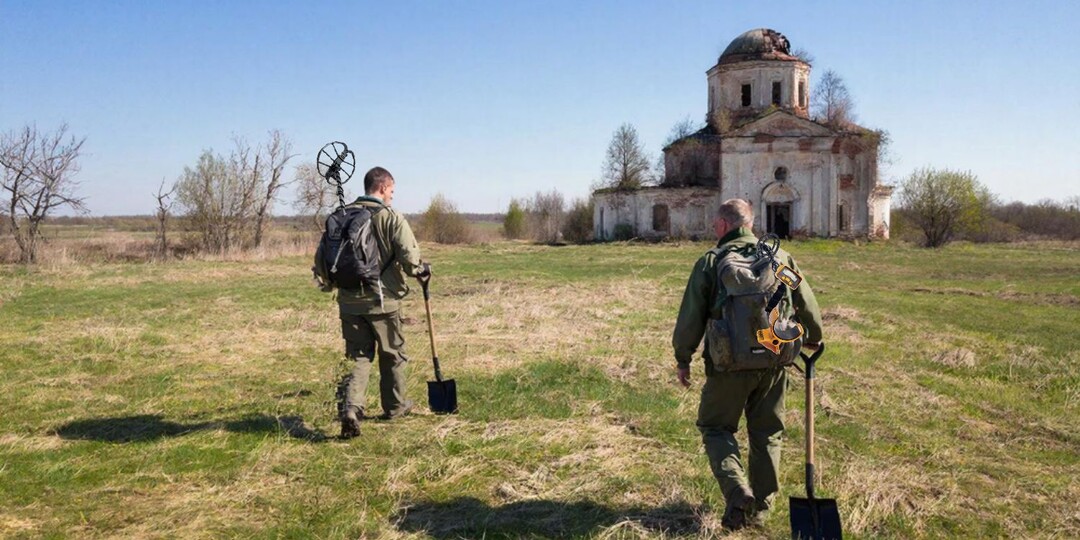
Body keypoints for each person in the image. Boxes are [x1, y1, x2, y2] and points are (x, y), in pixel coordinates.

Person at [672, 198, 823, 530]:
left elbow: (691, 315)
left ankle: (737, 489)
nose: (714, 229)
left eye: (716, 224)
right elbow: (804, 296)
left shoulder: (711, 262)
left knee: (716, 427)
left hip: (727, 364)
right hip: (773, 360)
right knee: (767, 432)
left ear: (725, 225)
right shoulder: (780, 258)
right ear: (751, 224)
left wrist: (683, 358)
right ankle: (761, 508)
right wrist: (813, 335)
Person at [316, 166, 429, 439]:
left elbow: (321, 261)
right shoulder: (391, 218)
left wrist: (331, 285)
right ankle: (395, 407)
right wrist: (421, 270)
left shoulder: (340, 216)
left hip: (349, 301)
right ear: (381, 188)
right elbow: (410, 258)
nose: (391, 195)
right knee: (392, 354)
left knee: (357, 356)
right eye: (391, 190)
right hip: (383, 300)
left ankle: (351, 408)